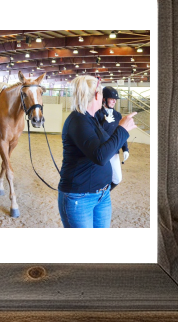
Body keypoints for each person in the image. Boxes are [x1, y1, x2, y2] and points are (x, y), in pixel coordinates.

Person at [58, 76, 136, 228]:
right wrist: (122, 130)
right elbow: (100, 156)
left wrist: (121, 132)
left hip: (102, 194)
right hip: (80, 198)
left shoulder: (92, 118)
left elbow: (108, 146)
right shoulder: (78, 121)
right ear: (96, 95)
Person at [95, 86, 129, 190]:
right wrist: (105, 123)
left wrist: (125, 149)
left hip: (114, 151)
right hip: (101, 150)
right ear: (104, 99)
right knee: (99, 177)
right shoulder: (97, 113)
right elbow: (95, 132)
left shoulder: (118, 115)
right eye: (111, 98)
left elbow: (121, 132)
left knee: (117, 178)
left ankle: (105, 194)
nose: (114, 101)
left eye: (115, 99)